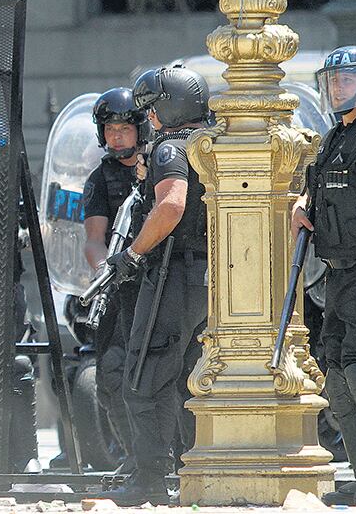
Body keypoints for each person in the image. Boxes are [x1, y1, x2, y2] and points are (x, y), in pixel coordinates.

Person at [96, 66, 211, 506]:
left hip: (171, 275)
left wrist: (133, 253)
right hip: (208, 278)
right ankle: (190, 472)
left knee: (144, 375)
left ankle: (148, 481)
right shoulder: (210, 143)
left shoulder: (169, 148)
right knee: (188, 378)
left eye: (152, 107)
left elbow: (171, 206)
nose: (148, 117)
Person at [291, 45, 356, 507]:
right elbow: (319, 187)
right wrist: (303, 203)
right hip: (336, 275)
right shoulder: (335, 137)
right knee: (335, 373)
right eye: (334, 81)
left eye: (348, 79)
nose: (339, 87)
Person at [81, 86, 151, 475]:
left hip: (163, 283)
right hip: (121, 286)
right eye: (109, 129)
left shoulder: (164, 165)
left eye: (124, 128)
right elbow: (94, 240)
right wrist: (106, 271)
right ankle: (135, 459)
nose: (116, 137)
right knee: (110, 376)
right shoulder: (101, 179)